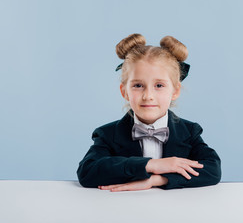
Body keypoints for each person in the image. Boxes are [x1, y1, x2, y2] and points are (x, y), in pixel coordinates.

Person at [77, 33, 221, 191]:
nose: (148, 96)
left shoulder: (189, 131)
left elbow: (212, 169)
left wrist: (157, 180)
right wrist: (152, 165)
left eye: (159, 85)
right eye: (138, 85)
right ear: (124, 91)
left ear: (175, 90)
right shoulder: (108, 134)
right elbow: (87, 171)